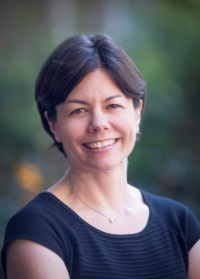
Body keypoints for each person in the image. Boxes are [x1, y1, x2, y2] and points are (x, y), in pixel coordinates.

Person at [1, 34, 200, 279]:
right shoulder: (37, 230)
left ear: (137, 111)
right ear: (53, 124)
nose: (98, 124)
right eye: (79, 110)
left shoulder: (180, 224)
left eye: (113, 106)